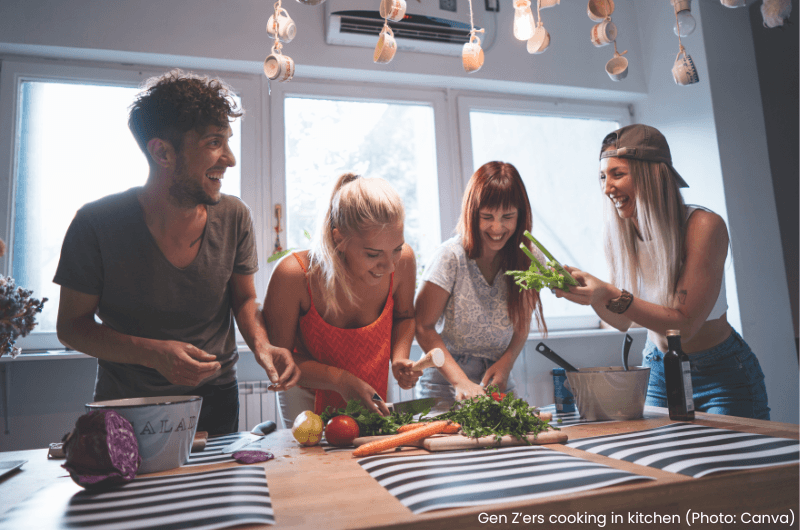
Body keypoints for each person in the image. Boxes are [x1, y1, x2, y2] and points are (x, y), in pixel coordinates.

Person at [54, 69, 300, 435]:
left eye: (228, 141)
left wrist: (263, 346)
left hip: (216, 399)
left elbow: (244, 299)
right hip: (126, 404)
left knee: (215, 494)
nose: (230, 159)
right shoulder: (95, 223)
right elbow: (71, 327)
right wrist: (153, 353)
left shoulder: (235, 216)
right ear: (162, 152)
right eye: (214, 142)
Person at [555, 124, 770, 420]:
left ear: (652, 174)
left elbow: (683, 326)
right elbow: (622, 319)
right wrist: (592, 296)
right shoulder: (618, 234)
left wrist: (609, 293)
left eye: (618, 174)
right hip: (658, 368)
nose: (606, 188)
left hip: (721, 374)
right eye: (603, 177)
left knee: (734, 465)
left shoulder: (703, 227)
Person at [264, 173, 418, 426]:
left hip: (373, 390)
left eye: (397, 249)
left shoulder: (404, 263)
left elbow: (404, 316)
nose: (390, 266)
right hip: (308, 397)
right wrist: (340, 380)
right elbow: (279, 362)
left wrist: (399, 357)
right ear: (339, 239)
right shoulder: (294, 275)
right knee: (315, 464)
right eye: (373, 254)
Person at [414, 161, 546, 401]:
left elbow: (522, 324)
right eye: (487, 217)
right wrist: (460, 381)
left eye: (508, 216)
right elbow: (423, 326)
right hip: (445, 378)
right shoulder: (450, 256)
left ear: (521, 215)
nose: (497, 227)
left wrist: (506, 364)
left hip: (498, 373)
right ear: (472, 213)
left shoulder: (531, 258)